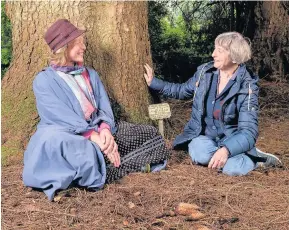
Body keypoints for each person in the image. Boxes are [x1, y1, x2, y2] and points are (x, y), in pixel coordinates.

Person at [23, 19, 170, 201]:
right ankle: (108, 165)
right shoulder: (44, 80)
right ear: (63, 47)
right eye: (78, 44)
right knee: (84, 151)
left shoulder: (90, 74)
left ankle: (106, 166)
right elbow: (60, 117)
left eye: (82, 42)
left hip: (98, 130)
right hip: (70, 135)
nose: (83, 47)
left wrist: (105, 130)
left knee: (151, 134)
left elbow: (103, 107)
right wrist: (93, 136)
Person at [144, 32, 281, 176]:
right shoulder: (205, 72)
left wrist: (226, 150)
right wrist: (154, 83)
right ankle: (233, 154)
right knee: (198, 152)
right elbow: (182, 90)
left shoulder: (247, 86)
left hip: (231, 137)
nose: (213, 54)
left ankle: (255, 159)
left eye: (219, 51)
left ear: (234, 56)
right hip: (207, 138)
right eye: (215, 49)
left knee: (232, 169)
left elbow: (248, 132)